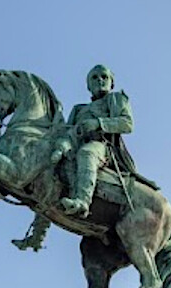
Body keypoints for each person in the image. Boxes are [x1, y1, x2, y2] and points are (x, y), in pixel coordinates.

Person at [53, 64, 154, 218]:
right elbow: (68, 129)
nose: (100, 80)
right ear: (88, 86)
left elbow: (127, 123)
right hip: (73, 144)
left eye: (104, 77)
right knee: (51, 167)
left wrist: (98, 123)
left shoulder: (116, 99)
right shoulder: (78, 109)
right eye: (95, 77)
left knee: (87, 153)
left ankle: (82, 202)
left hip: (102, 146)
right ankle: (39, 232)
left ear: (111, 83)